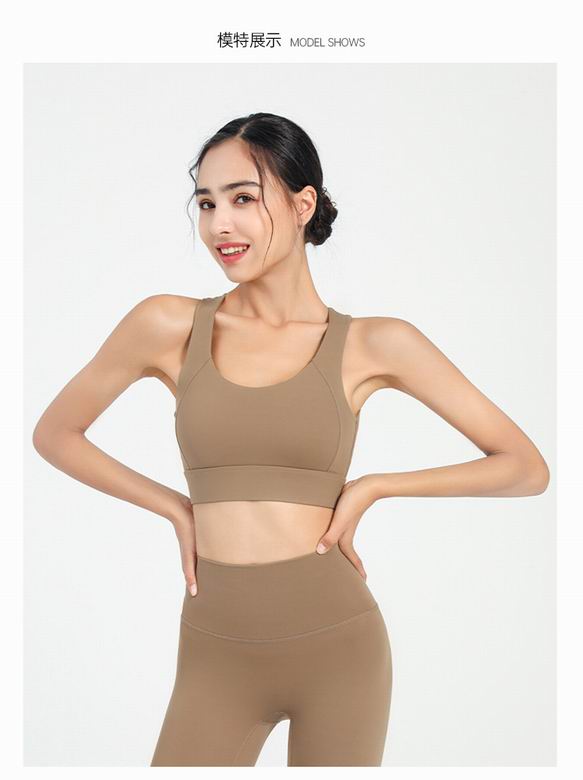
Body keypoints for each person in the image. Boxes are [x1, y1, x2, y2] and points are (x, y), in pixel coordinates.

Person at [32, 112, 550, 767]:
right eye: (206, 203)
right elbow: (56, 434)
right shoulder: (167, 325)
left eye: (243, 199)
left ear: (303, 205)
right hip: (214, 650)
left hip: (338, 646)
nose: (219, 224)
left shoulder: (374, 343)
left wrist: (376, 487)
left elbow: (524, 467)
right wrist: (176, 508)